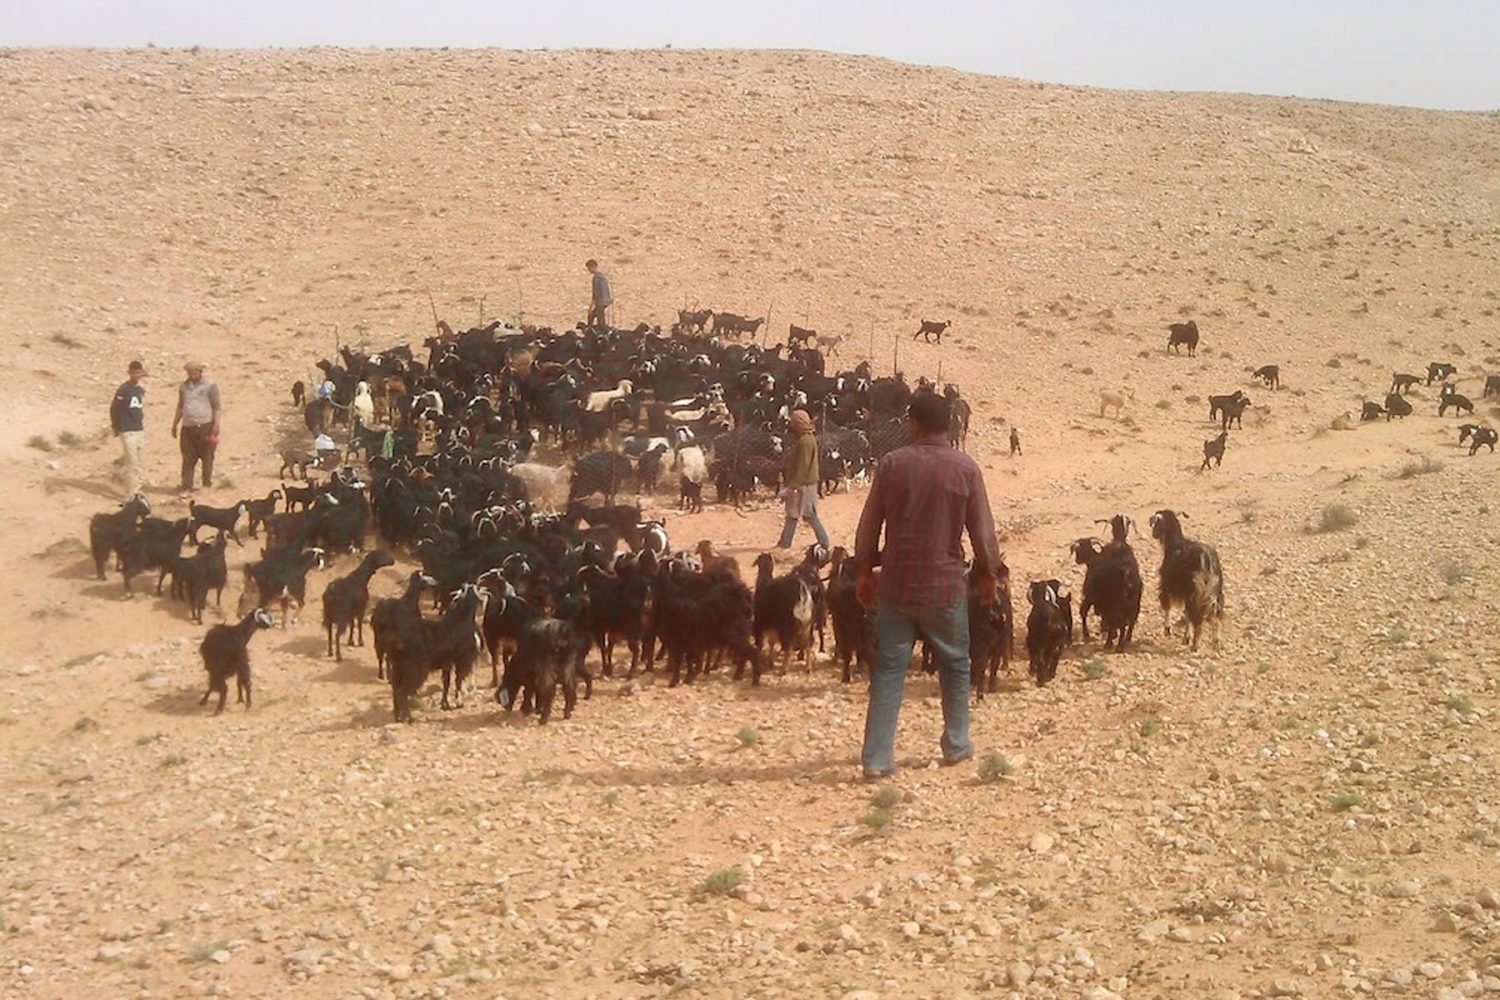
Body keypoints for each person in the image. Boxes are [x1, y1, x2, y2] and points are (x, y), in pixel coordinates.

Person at [853, 391, 1001, 780]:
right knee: (954, 663)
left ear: (914, 423)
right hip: (945, 586)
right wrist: (988, 575)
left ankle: (877, 759)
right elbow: (983, 535)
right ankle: (956, 744)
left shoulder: (891, 465)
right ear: (948, 425)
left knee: (888, 670)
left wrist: (865, 570)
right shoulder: (966, 469)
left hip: (897, 586)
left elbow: (869, 524)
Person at [778, 409, 831, 549]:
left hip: (804, 485)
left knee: (808, 515)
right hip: (805, 483)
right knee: (793, 515)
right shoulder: (806, 438)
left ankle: (824, 542)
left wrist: (792, 486)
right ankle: (784, 544)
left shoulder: (805, 441)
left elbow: (803, 467)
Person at [172, 361, 222, 492]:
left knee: (207, 456)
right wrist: (175, 424)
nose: (192, 375)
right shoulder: (183, 387)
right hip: (188, 427)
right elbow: (180, 406)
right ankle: (187, 485)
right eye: (189, 372)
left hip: (205, 425)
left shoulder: (210, 386)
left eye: (194, 372)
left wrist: (216, 424)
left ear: (200, 372)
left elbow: (216, 407)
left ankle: (206, 484)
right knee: (188, 457)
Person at [110, 360, 149, 496]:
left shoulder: (138, 389)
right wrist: (115, 425)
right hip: (127, 430)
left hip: (139, 429)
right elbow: (114, 408)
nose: (137, 375)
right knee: (132, 464)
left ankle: (137, 490)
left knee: (139, 462)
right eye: (134, 373)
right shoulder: (124, 389)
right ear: (129, 373)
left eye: (139, 373)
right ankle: (132, 494)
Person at [585, 259, 611, 329]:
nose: (589, 270)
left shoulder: (596, 277)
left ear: (592, 267)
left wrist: (591, 306)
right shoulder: (602, 276)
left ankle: (590, 331)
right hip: (605, 301)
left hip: (600, 302)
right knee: (598, 317)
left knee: (597, 319)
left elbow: (595, 293)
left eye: (589, 268)